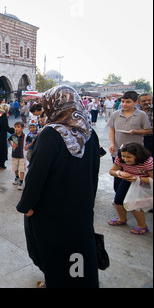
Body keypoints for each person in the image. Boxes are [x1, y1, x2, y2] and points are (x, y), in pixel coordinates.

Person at [16, 85, 100, 288]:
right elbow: (93, 173)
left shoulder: (51, 134)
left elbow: (36, 175)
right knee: (77, 249)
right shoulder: (90, 134)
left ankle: (57, 282)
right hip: (80, 207)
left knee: (53, 251)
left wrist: (26, 205)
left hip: (51, 209)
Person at [108, 91, 151, 191]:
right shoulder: (115, 114)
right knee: (118, 174)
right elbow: (111, 130)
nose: (124, 104)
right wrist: (112, 144)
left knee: (134, 175)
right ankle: (118, 195)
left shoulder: (141, 115)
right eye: (123, 101)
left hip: (136, 151)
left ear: (136, 103)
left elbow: (148, 130)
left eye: (128, 102)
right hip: (118, 149)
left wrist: (134, 132)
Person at [108, 142, 152, 235]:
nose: (125, 159)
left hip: (144, 183)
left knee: (135, 205)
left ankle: (142, 226)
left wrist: (138, 178)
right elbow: (112, 171)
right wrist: (119, 173)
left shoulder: (147, 162)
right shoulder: (120, 159)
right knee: (118, 200)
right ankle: (122, 219)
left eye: (129, 157)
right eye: (123, 156)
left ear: (138, 156)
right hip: (128, 179)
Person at [0, 103, 14, 170]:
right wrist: (13, 130)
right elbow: (6, 127)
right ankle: (1, 164)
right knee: (2, 149)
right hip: (2, 135)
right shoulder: (4, 116)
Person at [9, 121, 26, 190]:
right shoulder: (13, 136)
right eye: (15, 127)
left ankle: (21, 182)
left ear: (22, 128)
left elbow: (31, 141)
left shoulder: (25, 136)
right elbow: (9, 140)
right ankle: (17, 177)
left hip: (22, 156)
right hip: (14, 155)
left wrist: (27, 146)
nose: (16, 128)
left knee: (22, 169)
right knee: (15, 168)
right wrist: (12, 145)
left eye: (18, 127)